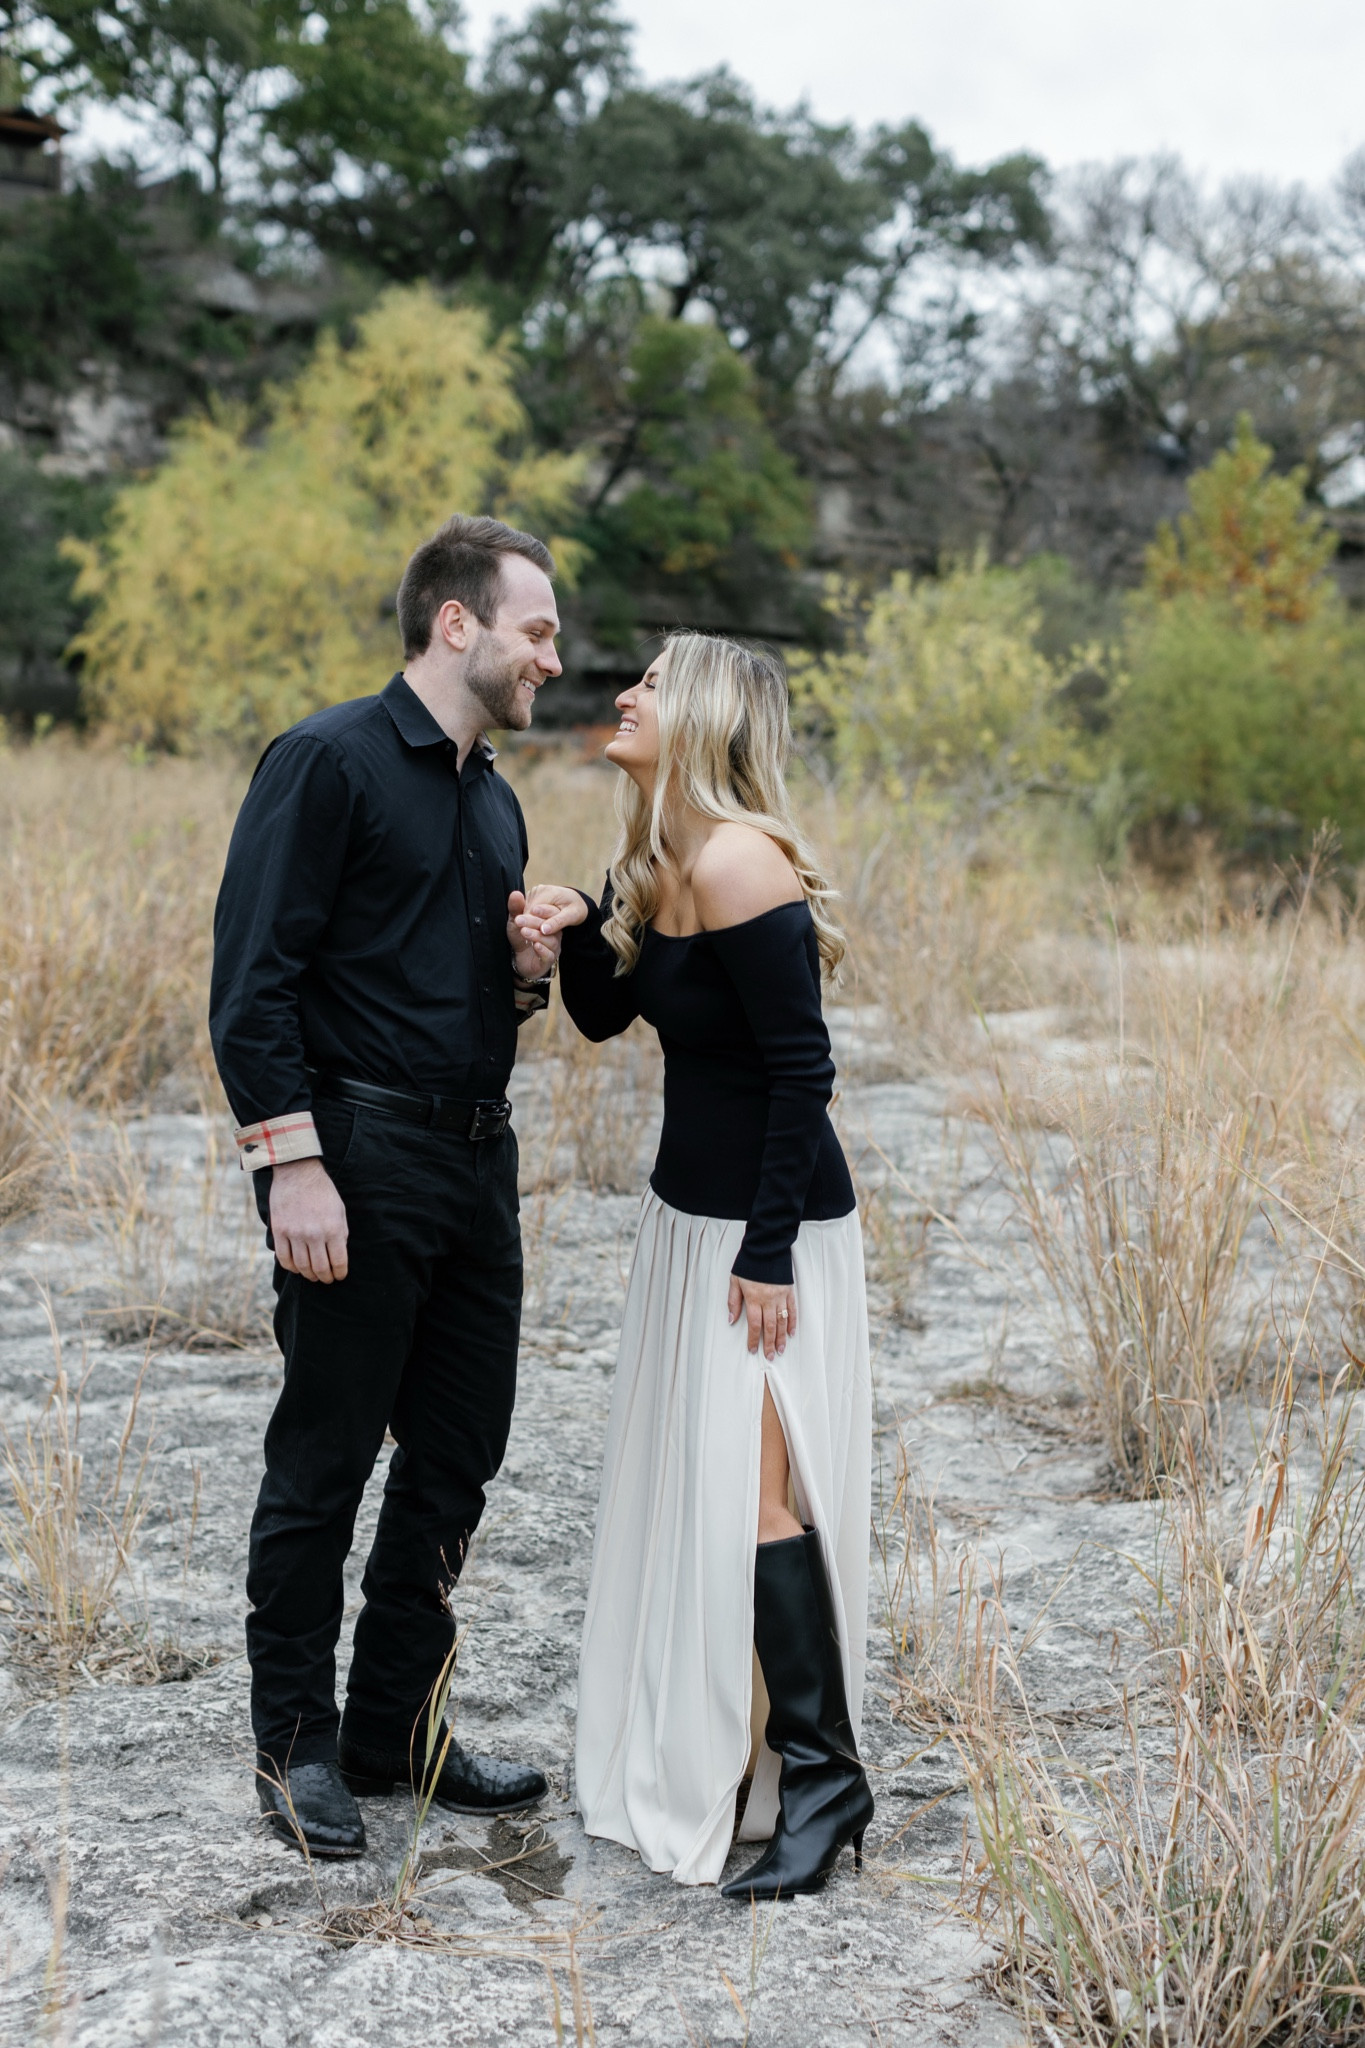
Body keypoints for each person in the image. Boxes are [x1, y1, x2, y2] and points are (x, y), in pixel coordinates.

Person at [210, 513, 564, 1857]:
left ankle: (393, 1731)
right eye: (536, 630)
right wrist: (290, 1163)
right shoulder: (325, 761)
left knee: (456, 1461)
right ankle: (296, 1748)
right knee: (326, 1459)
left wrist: (525, 980)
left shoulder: (496, 796)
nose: (553, 658)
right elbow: (253, 989)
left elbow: (466, 1001)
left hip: (480, 1165)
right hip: (353, 1159)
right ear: (456, 622)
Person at [515, 632, 873, 1898]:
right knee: (717, 1487)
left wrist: (769, 1251)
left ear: (706, 709)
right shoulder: (663, 859)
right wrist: (572, 920)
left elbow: (802, 1067)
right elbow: (617, 1019)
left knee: (760, 1494)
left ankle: (825, 1776)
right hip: (690, 1223)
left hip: (766, 1236)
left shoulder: (737, 858)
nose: (624, 693)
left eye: (654, 682)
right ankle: (776, 1764)